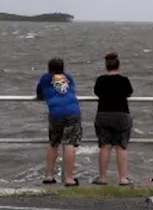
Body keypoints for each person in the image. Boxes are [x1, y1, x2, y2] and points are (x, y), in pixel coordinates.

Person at [34, 56, 81, 186]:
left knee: (53, 143)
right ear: (63, 68)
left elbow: (39, 93)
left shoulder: (45, 78)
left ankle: (49, 176)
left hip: (56, 113)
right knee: (69, 144)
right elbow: (71, 91)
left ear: (49, 68)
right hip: (72, 111)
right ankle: (69, 178)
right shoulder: (69, 78)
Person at [92, 51, 133, 185]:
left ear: (106, 66)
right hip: (121, 115)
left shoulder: (101, 80)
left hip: (104, 114)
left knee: (105, 146)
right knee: (121, 147)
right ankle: (123, 178)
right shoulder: (124, 80)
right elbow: (129, 93)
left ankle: (102, 177)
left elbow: (97, 92)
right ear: (118, 66)